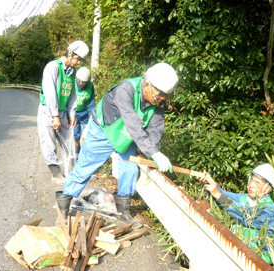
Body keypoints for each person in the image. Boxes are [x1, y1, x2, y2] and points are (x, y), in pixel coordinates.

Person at [56, 63, 178, 227]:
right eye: (160, 94)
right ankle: (64, 203)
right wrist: (153, 153)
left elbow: (155, 130)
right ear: (147, 85)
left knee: (130, 168)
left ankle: (123, 212)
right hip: (103, 130)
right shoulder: (125, 89)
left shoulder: (158, 103)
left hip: (126, 135)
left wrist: (155, 151)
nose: (162, 98)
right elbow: (132, 122)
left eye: (166, 95)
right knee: (87, 165)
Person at [198, 163, 274, 264]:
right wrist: (211, 184)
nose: (251, 185)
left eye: (257, 183)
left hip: (257, 260)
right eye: (251, 180)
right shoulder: (244, 198)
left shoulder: (270, 209)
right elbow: (225, 197)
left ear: (268, 189)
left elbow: (249, 217)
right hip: (235, 253)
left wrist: (219, 195)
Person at [37, 41, 89, 184]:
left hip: (62, 111)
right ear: (70, 53)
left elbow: (73, 94)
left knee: (69, 140)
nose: (78, 62)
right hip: (48, 110)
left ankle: (71, 170)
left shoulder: (71, 72)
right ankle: (55, 173)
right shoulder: (52, 67)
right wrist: (55, 116)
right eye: (78, 59)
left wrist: (72, 113)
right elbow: (50, 92)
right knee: (49, 142)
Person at [73, 67, 95, 156]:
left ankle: (83, 153)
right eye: (81, 82)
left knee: (85, 134)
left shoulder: (90, 86)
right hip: (73, 113)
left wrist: (91, 115)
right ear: (77, 79)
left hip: (84, 113)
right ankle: (75, 151)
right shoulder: (73, 84)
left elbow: (91, 102)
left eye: (85, 82)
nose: (83, 84)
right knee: (75, 134)